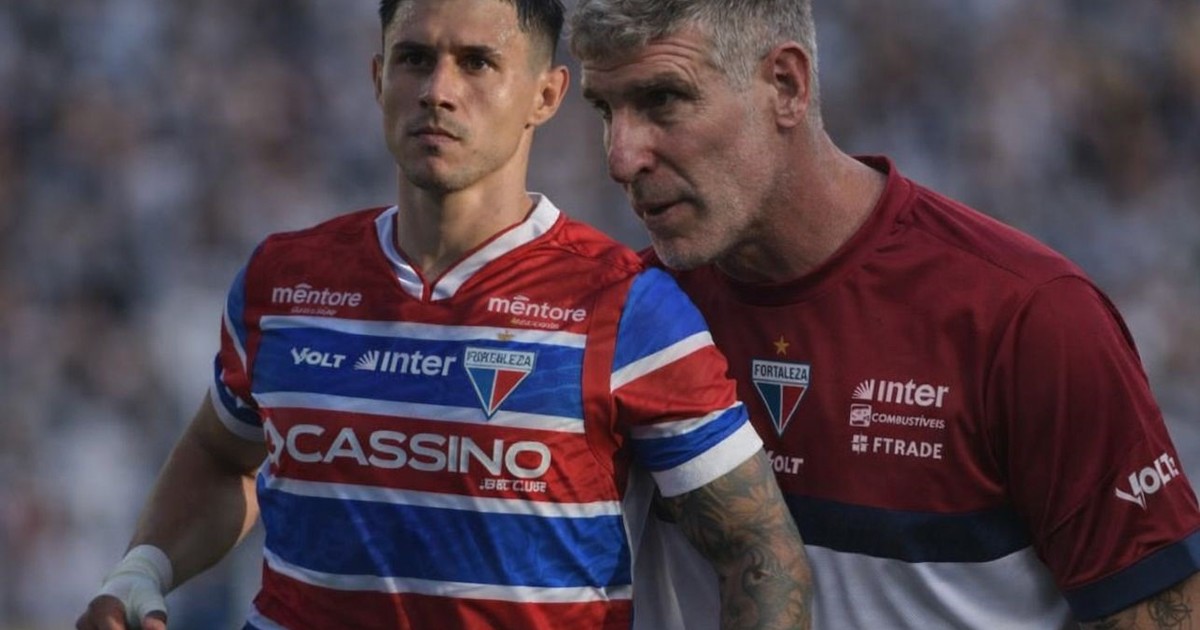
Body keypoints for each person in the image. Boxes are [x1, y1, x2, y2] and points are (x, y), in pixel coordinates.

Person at [75, 0, 814, 628]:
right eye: (414, 59)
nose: (438, 90)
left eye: (478, 63)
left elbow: (761, 553)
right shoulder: (284, 283)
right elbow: (221, 454)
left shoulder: (626, 309)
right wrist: (143, 568)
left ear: (546, 95)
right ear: (377, 77)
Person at [568, 0, 1200, 628]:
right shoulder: (615, 325)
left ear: (785, 85)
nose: (621, 157)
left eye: (663, 100)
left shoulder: (1025, 318)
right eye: (606, 110)